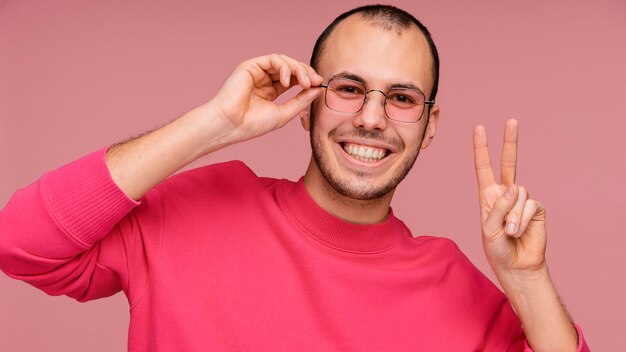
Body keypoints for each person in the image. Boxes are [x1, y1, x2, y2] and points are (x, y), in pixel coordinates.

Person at [0, 4, 589, 352]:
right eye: (349, 88)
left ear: (429, 126)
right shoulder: (195, 208)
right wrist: (213, 123)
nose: (372, 118)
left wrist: (527, 277)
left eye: (402, 98)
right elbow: (21, 244)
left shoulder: (458, 287)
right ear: (307, 100)